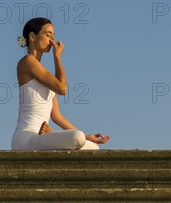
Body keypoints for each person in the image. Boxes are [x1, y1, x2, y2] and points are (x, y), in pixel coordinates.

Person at [11, 17, 111, 150]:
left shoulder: (43, 74)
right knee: (77, 137)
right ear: (32, 36)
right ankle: (51, 133)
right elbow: (62, 89)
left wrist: (86, 137)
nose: (52, 40)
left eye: (53, 35)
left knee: (92, 147)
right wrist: (57, 57)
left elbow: (57, 117)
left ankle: (50, 133)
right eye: (48, 34)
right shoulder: (27, 62)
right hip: (26, 137)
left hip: (41, 138)